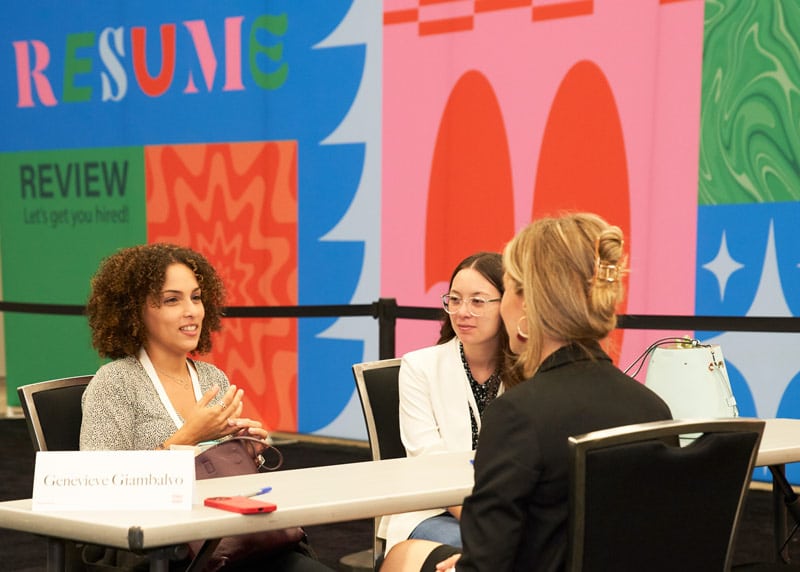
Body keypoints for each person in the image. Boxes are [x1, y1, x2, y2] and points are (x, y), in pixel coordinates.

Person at [380, 213, 672, 572]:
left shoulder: (518, 415)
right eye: (455, 299)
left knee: (401, 560)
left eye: (495, 295)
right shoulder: (652, 408)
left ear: (525, 303)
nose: (465, 311)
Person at [80, 242, 331, 572]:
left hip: (234, 539)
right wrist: (185, 439)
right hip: (165, 551)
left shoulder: (212, 376)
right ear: (134, 311)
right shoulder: (114, 383)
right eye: (172, 300)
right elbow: (97, 486)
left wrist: (245, 449)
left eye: (196, 297)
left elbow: (223, 474)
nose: (192, 311)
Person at [384, 252, 521, 552]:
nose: (462, 312)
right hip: (434, 507)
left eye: (478, 301)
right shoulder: (419, 367)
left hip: (508, 509)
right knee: (482, 547)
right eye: (455, 300)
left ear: (509, 304)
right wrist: (480, 522)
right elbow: (430, 460)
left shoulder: (527, 370)